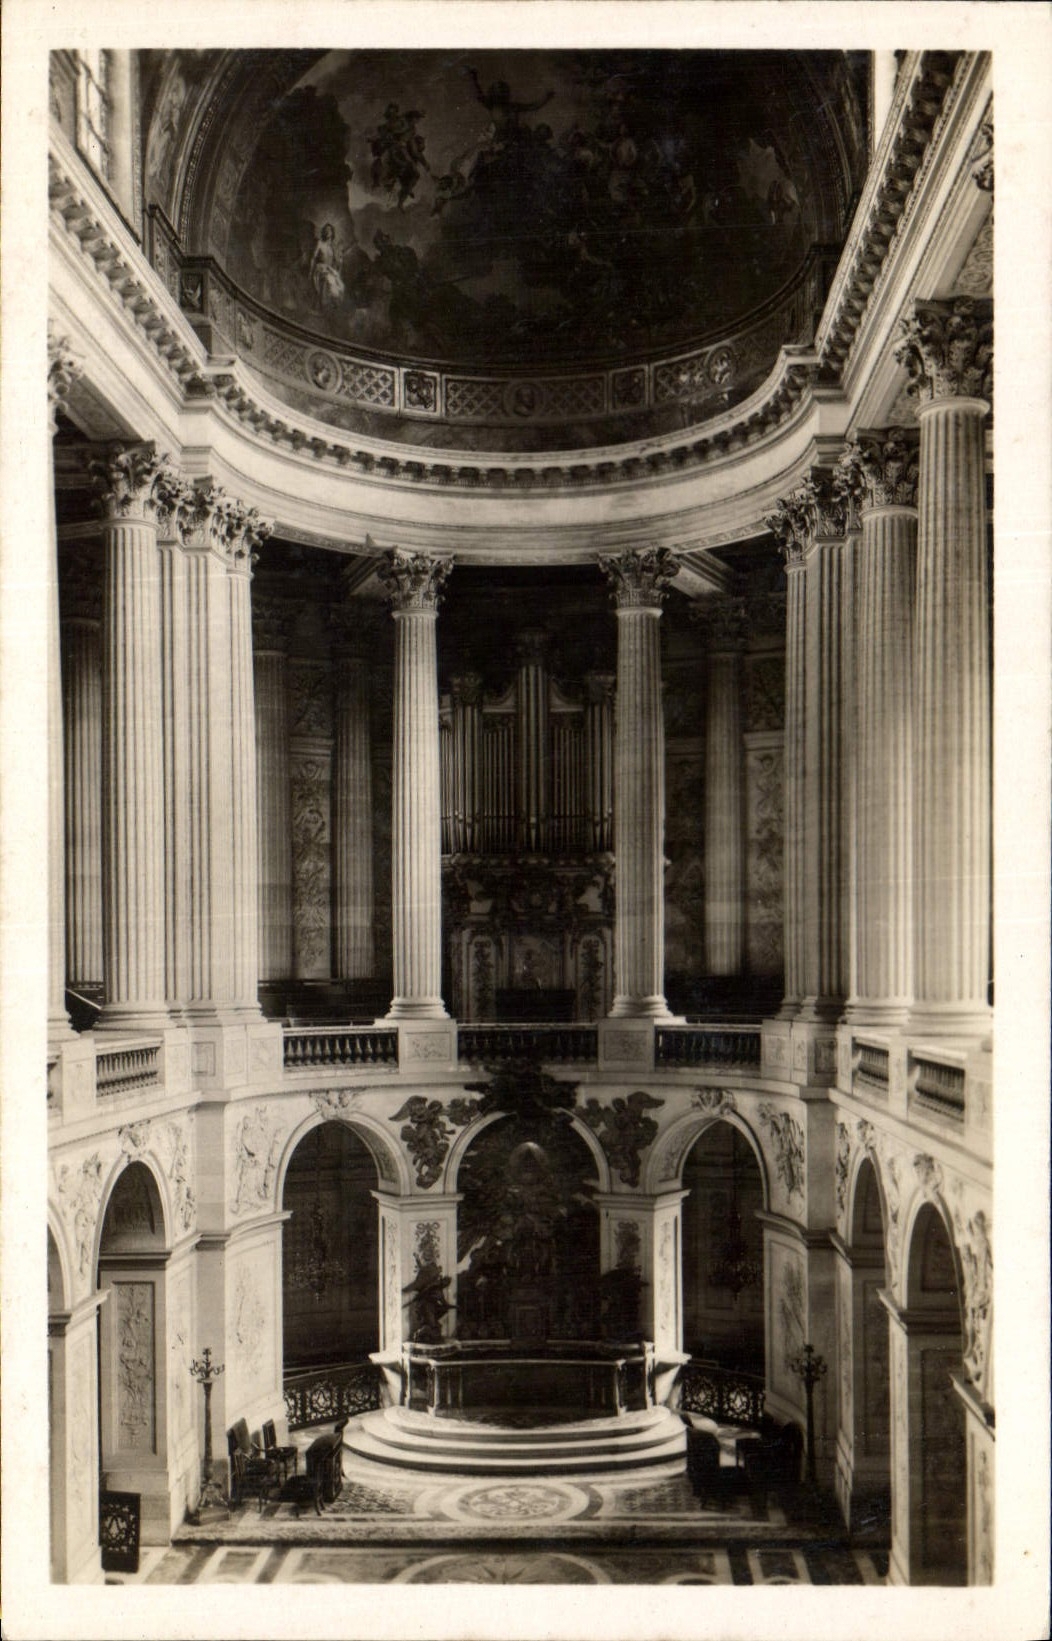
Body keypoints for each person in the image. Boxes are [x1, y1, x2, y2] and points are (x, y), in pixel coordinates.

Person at [308, 224, 345, 310]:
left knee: (341, 285)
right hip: (320, 268)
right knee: (328, 279)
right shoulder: (320, 243)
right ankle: (322, 305)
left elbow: (336, 262)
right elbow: (313, 258)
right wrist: (310, 271)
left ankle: (332, 305)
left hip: (329, 269)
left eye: (330, 230)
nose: (328, 232)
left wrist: (340, 259)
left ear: (332, 233)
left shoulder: (332, 247)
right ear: (324, 232)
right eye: (326, 230)